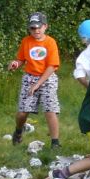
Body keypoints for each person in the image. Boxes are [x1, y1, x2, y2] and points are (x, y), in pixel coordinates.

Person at [7, 12, 62, 148]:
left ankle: (55, 143)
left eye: (39, 27)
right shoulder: (26, 41)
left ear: (45, 26)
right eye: (33, 28)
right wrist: (15, 64)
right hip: (29, 77)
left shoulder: (50, 42)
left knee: (50, 109)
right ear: (29, 28)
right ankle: (18, 131)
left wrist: (38, 84)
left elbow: (52, 66)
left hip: (47, 78)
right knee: (22, 113)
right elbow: (21, 59)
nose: (36, 30)